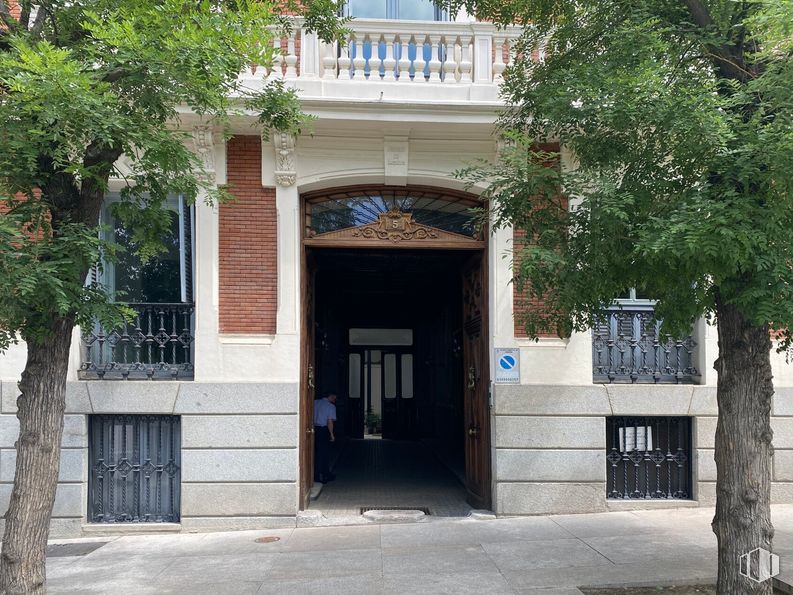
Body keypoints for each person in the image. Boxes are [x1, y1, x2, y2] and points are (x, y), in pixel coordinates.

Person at [313, 392, 337, 483]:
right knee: (322, 454)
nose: (335, 399)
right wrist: (331, 434)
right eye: (335, 397)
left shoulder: (314, 402)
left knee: (316, 452)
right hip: (323, 430)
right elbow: (329, 421)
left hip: (313, 429)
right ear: (331, 396)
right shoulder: (330, 406)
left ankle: (325, 473)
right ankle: (319, 475)